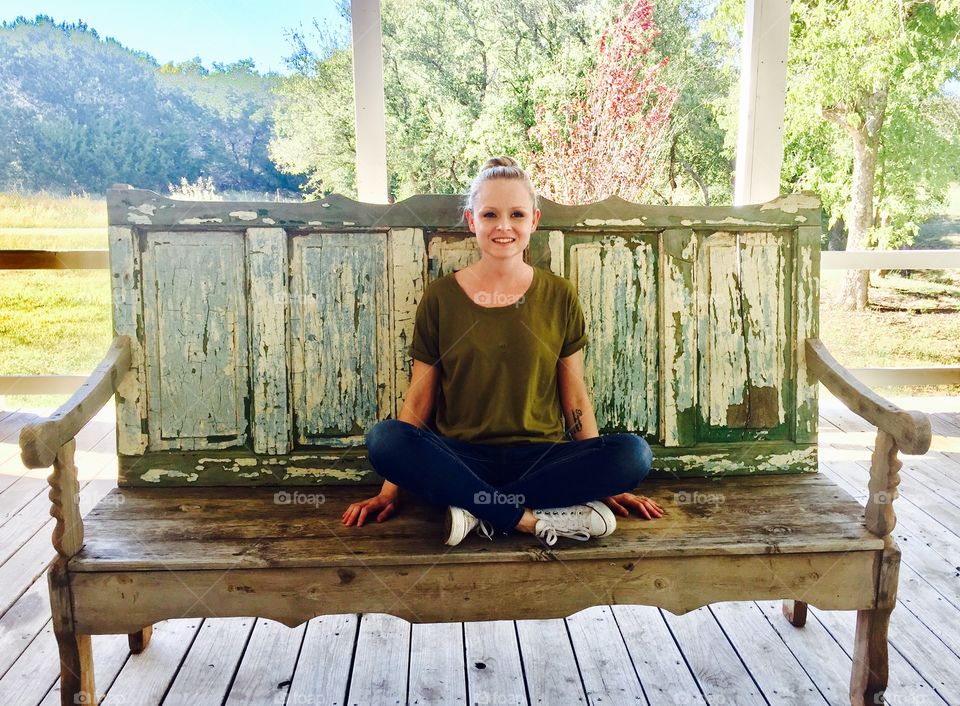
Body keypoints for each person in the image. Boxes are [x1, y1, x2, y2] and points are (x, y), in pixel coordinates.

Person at [341, 156, 663, 546]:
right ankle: (525, 519)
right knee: (385, 440)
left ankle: (476, 511)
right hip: (460, 459)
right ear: (472, 220)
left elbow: (574, 396)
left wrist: (606, 476)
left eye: (516, 214)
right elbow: (420, 395)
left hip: (541, 460)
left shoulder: (560, 295)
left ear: (534, 220)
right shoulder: (440, 297)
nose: (504, 226)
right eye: (490, 214)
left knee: (633, 455)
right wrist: (389, 490)